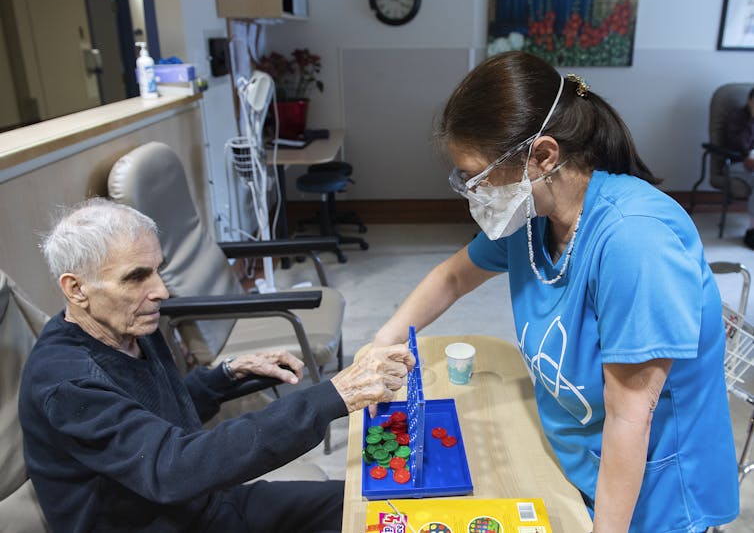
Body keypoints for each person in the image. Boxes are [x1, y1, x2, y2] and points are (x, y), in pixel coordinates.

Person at [372, 52, 739, 532]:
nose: (475, 193)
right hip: (575, 459)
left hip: (651, 494)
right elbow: (453, 277)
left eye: (479, 177)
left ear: (543, 156)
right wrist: (382, 344)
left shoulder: (634, 240)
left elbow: (629, 417)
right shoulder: (533, 219)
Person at [19, 198, 415, 533]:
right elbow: (172, 467)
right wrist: (334, 395)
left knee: (365, 509)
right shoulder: (66, 383)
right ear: (76, 289)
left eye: (158, 269)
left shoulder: (129, 325)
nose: (161, 291)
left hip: (203, 506)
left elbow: (151, 417)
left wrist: (224, 376)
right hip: (159, 519)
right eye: (136, 277)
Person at [723, 86, 754, 249]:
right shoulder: (737, 117)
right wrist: (752, 120)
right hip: (737, 163)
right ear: (750, 100)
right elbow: (739, 144)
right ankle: (752, 230)